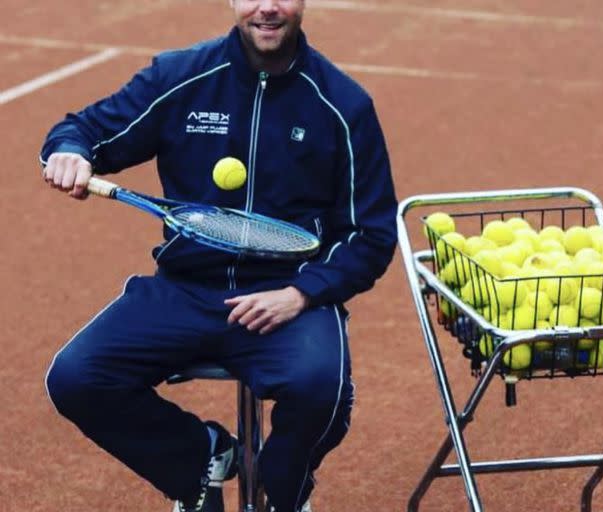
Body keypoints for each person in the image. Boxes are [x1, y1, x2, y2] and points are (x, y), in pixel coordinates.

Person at [40, 1, 398, 511]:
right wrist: (70, 151)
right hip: (185, 288)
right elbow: (85, 129)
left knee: (324, 388)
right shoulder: (179, 76)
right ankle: (198, 460)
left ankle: (284, 490)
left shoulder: (343, 105)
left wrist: (301, 294)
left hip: (286, 297)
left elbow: (371, 234)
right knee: (76, 377)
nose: (267, 7)